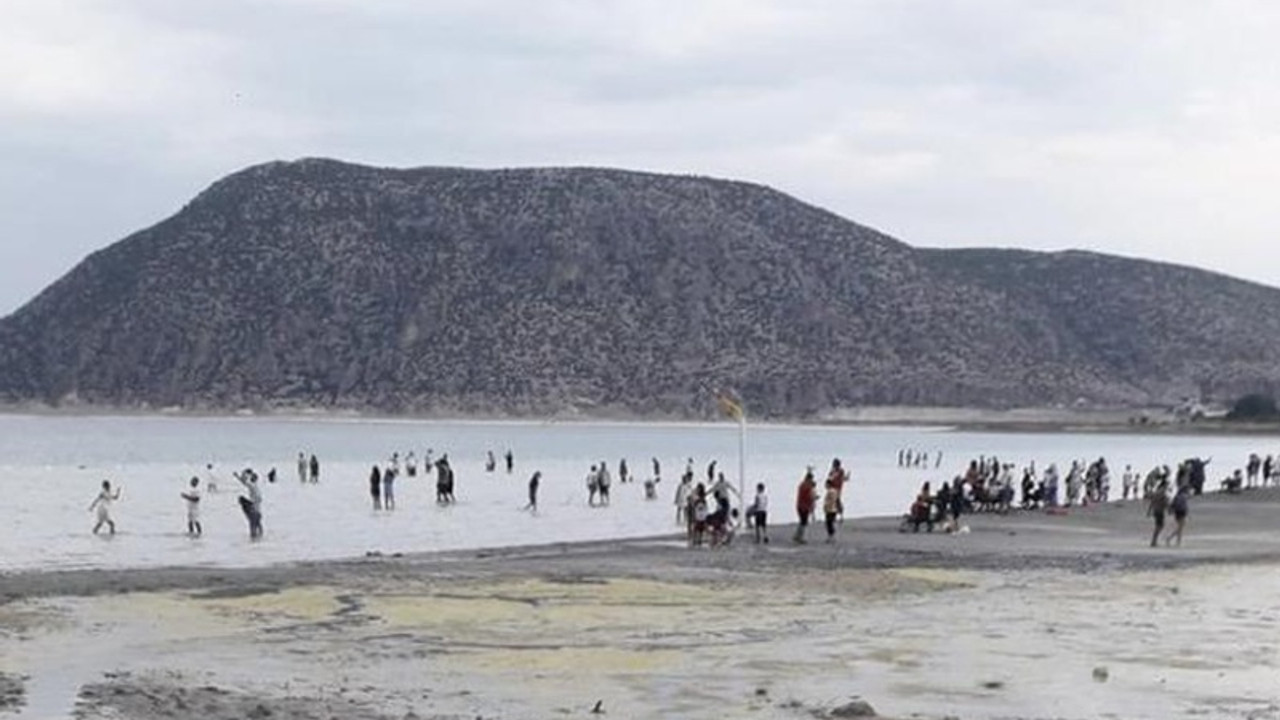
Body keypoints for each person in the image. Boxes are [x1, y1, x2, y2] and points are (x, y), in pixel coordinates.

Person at [234, 468, 264, 540]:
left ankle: (254, 542)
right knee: (259, 528)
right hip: (258, 512)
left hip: (254, 511)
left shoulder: (253, 486)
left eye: (251, 478)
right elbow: (245, 482)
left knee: (253, 530)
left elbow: (244, 482)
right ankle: (260, 541)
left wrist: (239, 475)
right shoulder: (257, 487)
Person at [793, 469, 817, 544]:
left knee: (802, 521)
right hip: (804, 506)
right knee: (804, 522)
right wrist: (814, 498)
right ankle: (800, 537)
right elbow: (809, 496)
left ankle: (797, 535)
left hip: (800, 505)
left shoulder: (802, 485)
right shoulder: (807, 486)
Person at [1147, 480, 1169, 548]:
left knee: (1158, 526)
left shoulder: (1156, 492)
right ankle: (1154, 541)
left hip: (1156, 510)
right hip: (1160, 511)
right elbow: (1165, 502)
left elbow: (1152, 502)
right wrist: (1169, 509)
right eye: (1167, 485)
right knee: (1159, 526)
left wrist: (1149, 511)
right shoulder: (1162, 493)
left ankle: (1154, 540)